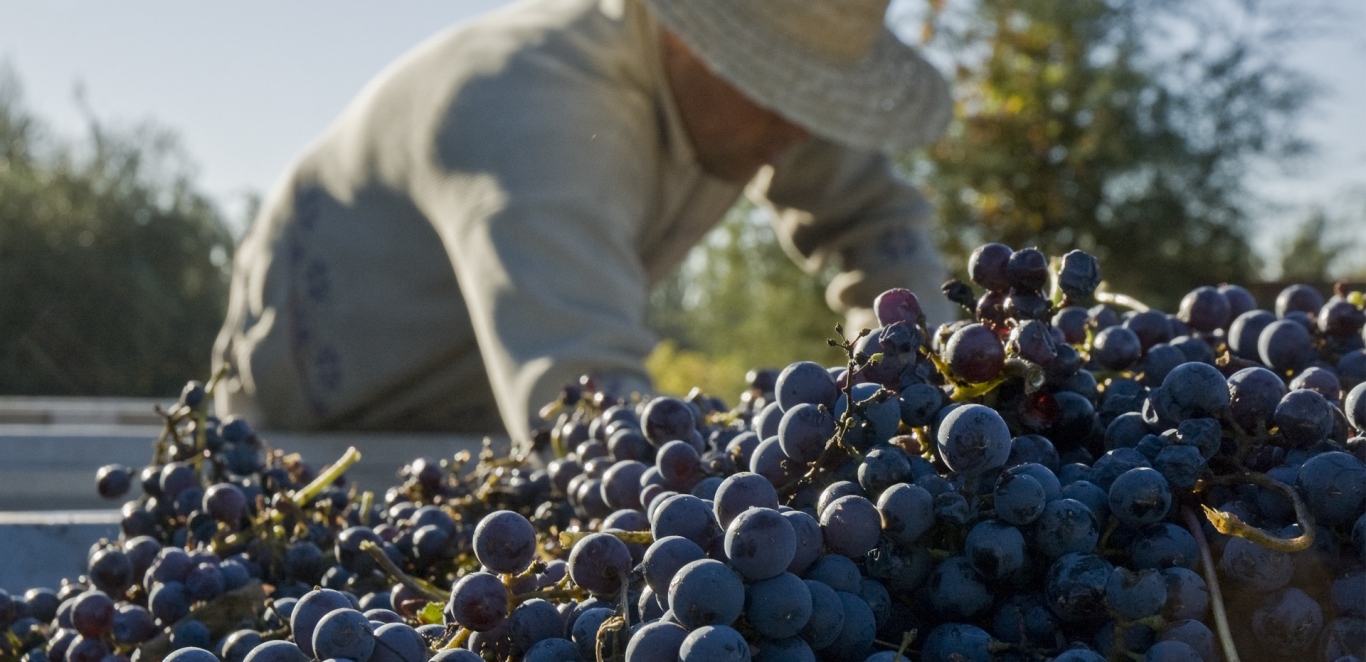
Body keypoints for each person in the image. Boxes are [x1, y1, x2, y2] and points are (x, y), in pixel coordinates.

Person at [212, 0, 955, 445]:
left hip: (476, 429)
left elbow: (878, 220)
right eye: (782, 88)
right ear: (687, 36)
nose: (801, 130)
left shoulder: (753, 109)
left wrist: (920, 384)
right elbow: (585, 407)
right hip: (304, 426)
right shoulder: (537, 112)